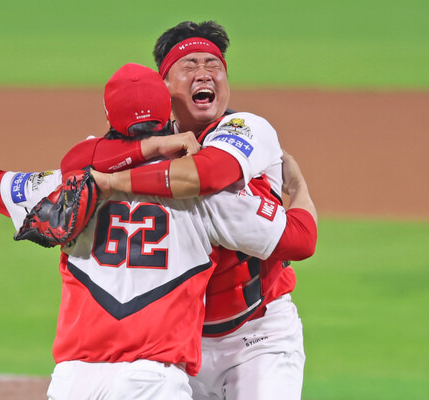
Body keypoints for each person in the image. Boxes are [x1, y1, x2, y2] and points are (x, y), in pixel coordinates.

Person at [0, 59, 315, 399]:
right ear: (168, 114)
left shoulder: (71, 186)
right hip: (153, 383)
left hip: (74, 383)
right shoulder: (204, 196)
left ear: (106, 117)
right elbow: (297, 239)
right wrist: (295, 189)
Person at [58, 21, 315, 400]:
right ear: (163, 86)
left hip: (257, 335)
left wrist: (300, 190)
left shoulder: (247, 128)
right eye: (190, 65)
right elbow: (78, 161)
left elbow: (206, 174)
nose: (204, 74)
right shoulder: (142, 144)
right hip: (179, 344)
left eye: (214, 65)